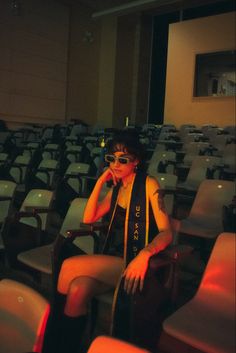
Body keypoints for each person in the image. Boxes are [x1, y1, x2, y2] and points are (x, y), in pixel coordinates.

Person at [46, 131, 172, 353]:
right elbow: (88, 217)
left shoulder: (148, 184)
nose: (115, 164)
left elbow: (166, 233)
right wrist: (101, 181)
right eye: (111, 158)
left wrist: (144, 255)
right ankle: (67, 346)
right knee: (77, 290)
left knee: (68, 266)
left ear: (136, 162)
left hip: (139, 264)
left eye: (123, 159)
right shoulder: (118, 188)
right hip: (117, 260)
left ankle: (51, 342)